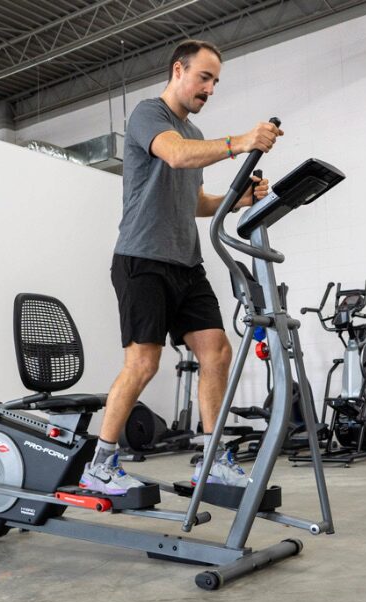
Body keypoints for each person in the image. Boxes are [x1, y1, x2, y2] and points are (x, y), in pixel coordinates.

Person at [79, 39, 283, 496]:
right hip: (142, 259)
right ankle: (101, 463)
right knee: (143, 363)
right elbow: (173, 154)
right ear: (178, 70)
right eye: (204, 77)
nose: (209, 88)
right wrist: (241, 142)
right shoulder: (150, 116)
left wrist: (241, 199)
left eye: (215, 82)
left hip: (186, 263)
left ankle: (210, 460)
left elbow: (194, 201)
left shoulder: (195, 138)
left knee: (217, 351)